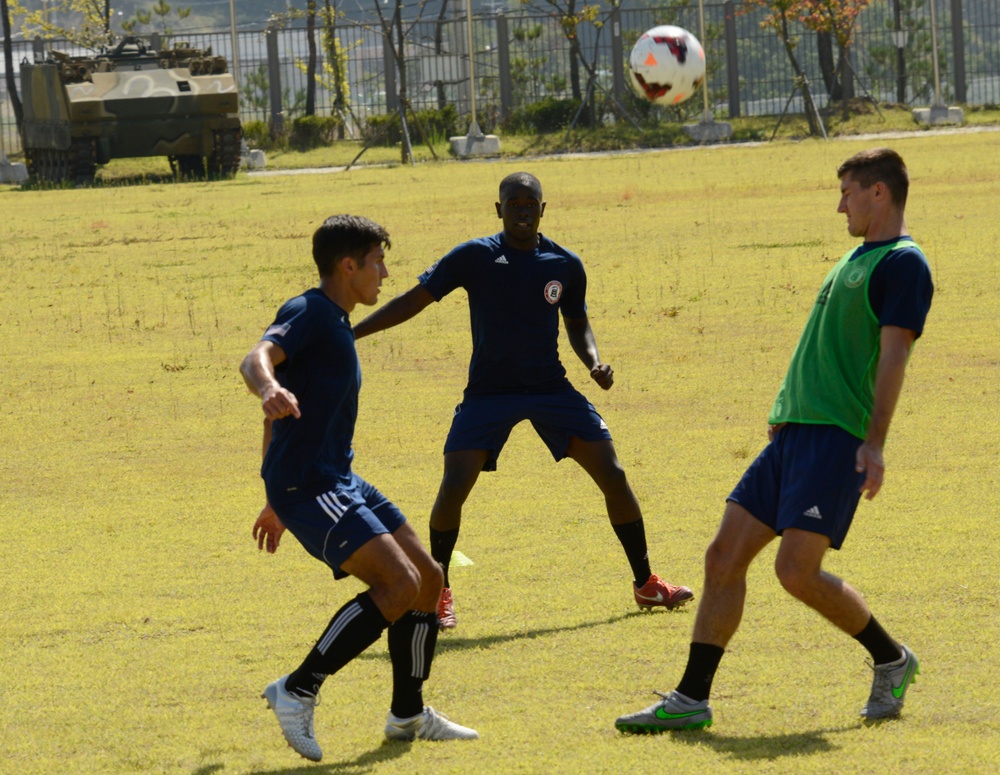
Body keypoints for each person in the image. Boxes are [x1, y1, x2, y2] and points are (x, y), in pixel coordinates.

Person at [614, 148, 934, 733]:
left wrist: (875, 443)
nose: (840, 205)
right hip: (794, 435)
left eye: (847, 193)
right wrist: (786, 409)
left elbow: (894, 357)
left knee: (796, 572)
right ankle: (691, 699)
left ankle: (892, 658)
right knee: (722, 557)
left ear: (879, 192)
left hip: (836, 439)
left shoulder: (903, 264)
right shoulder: (854, 258)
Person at [353, 172, 694, 630]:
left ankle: (646, 583)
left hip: (550, 388)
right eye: (512, 203)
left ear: (542, 209)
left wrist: (594, 362)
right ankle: (436, 593)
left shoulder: (564, 264)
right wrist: (352, 332)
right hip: (490, 392)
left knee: (612, 473)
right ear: (498, 210)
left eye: (529, 203)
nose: (521, 210)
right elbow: (414, 300)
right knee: (455, 483)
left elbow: (577, 323)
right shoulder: (474, 256)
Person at [240, 215, 478, 762]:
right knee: (396, 585)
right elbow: (254, 359)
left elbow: (276, 423)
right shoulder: (310, 313)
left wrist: (271, 495)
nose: (385, 273)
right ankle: (297, 689)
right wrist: (268, 387)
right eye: (377, 262)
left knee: (429, 580)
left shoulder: (338, 320)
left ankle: (408, 714)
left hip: (336, 475)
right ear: (348, 266)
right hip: (311, 482)